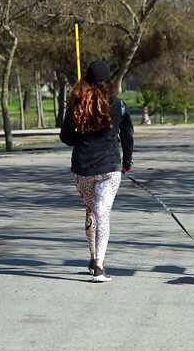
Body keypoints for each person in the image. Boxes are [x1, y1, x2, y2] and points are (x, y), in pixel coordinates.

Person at [59, 60, 134, 282]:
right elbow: (128, 136)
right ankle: (99, 265)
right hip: (110, 169)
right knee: (103, 213)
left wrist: (81, 135)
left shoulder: (76, 105)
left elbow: (66, 137)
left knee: (92, 211)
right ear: (109, 82)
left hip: (83, 169)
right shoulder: (118, 105)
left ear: (86, 82)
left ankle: (93, 257)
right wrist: (126, 162)